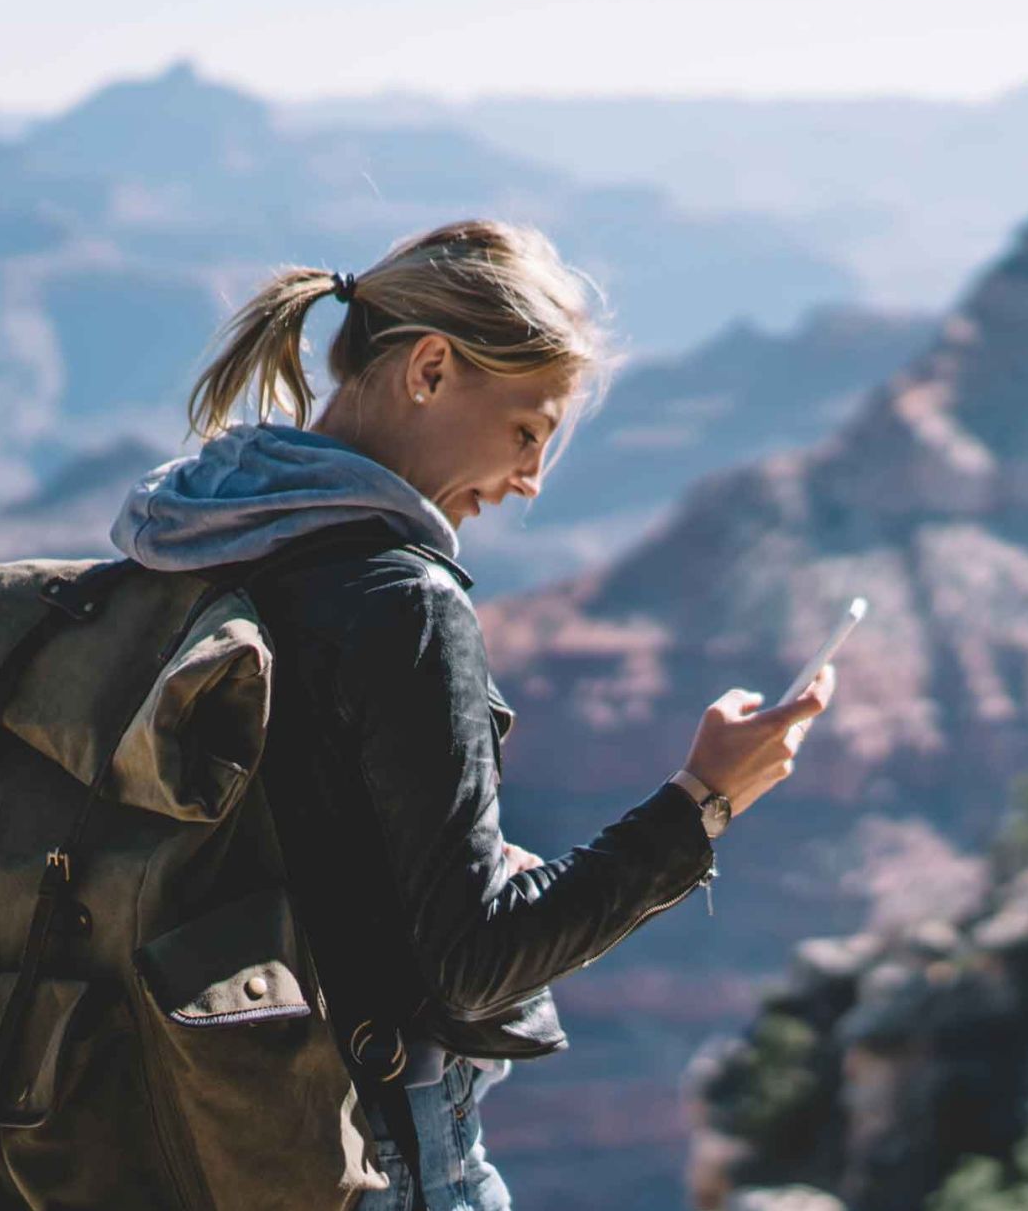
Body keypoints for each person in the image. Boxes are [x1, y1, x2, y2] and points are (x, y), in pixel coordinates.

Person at [106, 219, 831, 1211]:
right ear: (432, 367)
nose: (531, 478)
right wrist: (703, 799)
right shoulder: (403, 599)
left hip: (178, 1130)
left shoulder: (187, 537)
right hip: (365, 1152)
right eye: (529, 429)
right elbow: (474, 964)